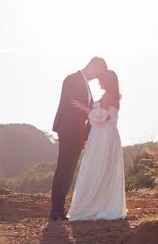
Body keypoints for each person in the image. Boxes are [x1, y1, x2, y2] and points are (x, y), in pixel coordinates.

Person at [48, 57, 107, 221]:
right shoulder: (72, 79)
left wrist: (85, 136)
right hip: (68, 131)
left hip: (78, 135)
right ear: (93, 66)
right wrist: (87, 111)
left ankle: (60, 209)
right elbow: (70, 107)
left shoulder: (87, 86)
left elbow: (85, 115)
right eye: (98, 72)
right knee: (63, 169)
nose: (97, 77)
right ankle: (55, 210)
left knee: (69, 172)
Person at [66, 69, 127, 220]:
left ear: (108, 81)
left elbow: (102, 117)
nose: (99, 82)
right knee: (104, 169)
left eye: (101, 79)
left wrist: (83, 108)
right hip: (109, 134)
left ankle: (94, 205)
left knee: (96, 167)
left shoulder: (107, 96)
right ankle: (102, 203)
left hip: (103, 135)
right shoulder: (113, 96)